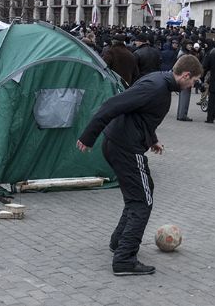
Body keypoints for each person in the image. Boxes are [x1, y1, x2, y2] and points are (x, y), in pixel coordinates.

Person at [76, 55, 203, 276]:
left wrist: (151, 139)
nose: (193, 86)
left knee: (140, 196)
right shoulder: (156, 87)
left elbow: (140, 115)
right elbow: (113, 104)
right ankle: (124, 259)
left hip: (121, 143)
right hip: (125, 147)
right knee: (142, 202)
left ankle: (119, 242)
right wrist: (88, 136)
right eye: (193, 81)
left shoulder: (160, 82)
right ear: (186, 75)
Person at [176, 40, 195, 121]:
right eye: (189, 45)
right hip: (185, 78)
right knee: (185, 96)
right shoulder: (184, 55)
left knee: (183, 96)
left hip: (183, 77)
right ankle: (182, 115)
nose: (190, 46)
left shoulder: (182, 53)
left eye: (191, 45)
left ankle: (180, 114)